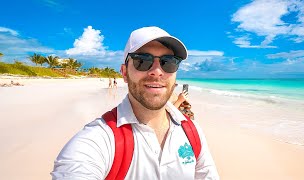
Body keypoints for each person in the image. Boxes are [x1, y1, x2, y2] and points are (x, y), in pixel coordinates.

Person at [51, 26, 220, 179]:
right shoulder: (98, 140)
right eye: (142, 61)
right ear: (124, 73)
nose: (157, 71)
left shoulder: (191, 131)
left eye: (168, 62)